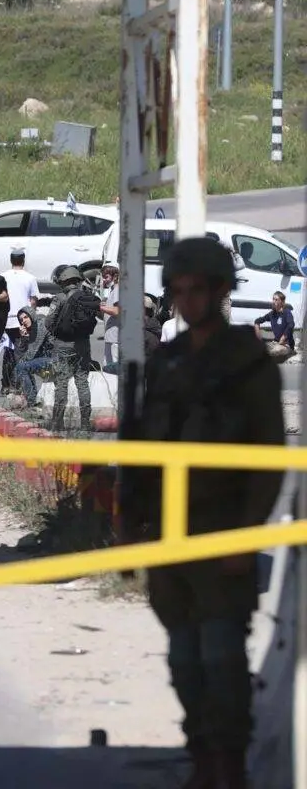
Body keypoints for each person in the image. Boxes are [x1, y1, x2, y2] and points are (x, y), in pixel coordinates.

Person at [122, 236, 284, 789]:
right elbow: (145, 449)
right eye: (178, 290)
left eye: (199, 290)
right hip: (170, 533)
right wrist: (132, 522)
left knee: (221, 659)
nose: (187, 301)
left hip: (222, 532)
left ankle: (228, 767)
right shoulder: (166, 361)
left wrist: (244, 537)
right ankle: (201, 759)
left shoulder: (248, 363)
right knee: (185, 663)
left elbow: (268, 458)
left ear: (220, 291)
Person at [47, 265, 99, 430]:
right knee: (82, 382)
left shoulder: (60, 298)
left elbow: (49, 323)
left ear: (63, 280)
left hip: (62, 345)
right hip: (83, 345)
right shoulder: (87, 297)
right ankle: (85, 422)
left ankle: (57, 423)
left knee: (61, 383)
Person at [2, 247, 40, 390]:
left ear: (11, 260)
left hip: (6, 321)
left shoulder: (3, 276)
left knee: (8, 351)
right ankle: (18, 384)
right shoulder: (30, 278)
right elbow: (33, 301)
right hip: (22, 321)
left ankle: (6, 384)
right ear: (23, 260)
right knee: (21, 353)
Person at [12, 308, 52, 407]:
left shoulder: (40, 325)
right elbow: (23, 355)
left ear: (31, 316)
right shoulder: (33, 329)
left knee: (22, 367)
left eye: (26, 317)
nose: (24, 321)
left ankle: (31, 401)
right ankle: (32, 398)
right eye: (21, 320)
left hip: (55, 359)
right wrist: (24, 339)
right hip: (47, 358)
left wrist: (25, 339)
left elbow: (30, 355)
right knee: (23, 366)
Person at [252, 291, 296, 363]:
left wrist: (284, 336)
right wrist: (257, 332)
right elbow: (258, 320)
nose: (273, 301)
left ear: (282, 302)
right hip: (275, 343)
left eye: (276, 300)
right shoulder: (272, 314)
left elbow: (291, 325)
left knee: (274, 352)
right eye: (273, 299)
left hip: (286, 344)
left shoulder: (286, 312)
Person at [99, 262, 121, 369]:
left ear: (115, 276)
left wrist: (101, 308)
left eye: (106, 277)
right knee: (108, 366)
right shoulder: (113, 291)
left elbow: (117, 310)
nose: (104, 280)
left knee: (113, 367)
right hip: (111, 337)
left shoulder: (117, 290)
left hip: (115, 338)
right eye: (103, 277)